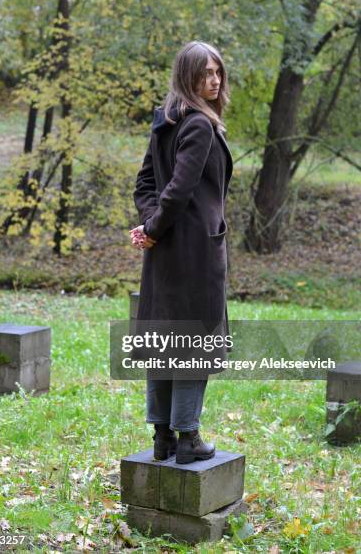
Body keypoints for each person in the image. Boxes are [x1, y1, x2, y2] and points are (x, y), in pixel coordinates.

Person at [130, 41, 233, 464]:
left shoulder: (166, 120)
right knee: (193, 343)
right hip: (195, 255)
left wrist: (150, 229)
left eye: (218, 73)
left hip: (166, 252)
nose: (214, 80)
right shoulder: (199, 126)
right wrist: (152, 226)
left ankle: (162, 437)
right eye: (206, 73)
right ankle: (187, 438)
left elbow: (146, 189)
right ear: (187, 76)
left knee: (163, 338)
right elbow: (175, 191)